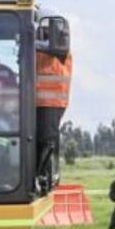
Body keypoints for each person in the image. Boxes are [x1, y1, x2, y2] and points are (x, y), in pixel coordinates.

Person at [34, 24, 72, 190]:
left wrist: (29, 41)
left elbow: (51, 48)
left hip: (52, 103)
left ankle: (43, 175)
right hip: (33, 103)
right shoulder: (35, 51)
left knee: (46, 138)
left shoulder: (61, 48)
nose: (44, 34)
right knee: (36, 141)